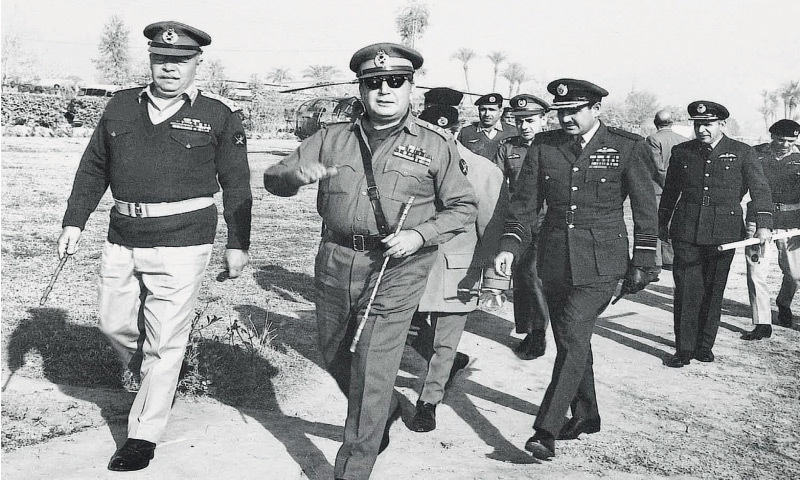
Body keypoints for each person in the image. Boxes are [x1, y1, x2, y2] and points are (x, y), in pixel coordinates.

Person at [263, 43, 477, 480]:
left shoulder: (435, 144)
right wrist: (294, 176)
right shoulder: (331, 137)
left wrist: (420, 234)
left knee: (372, 366)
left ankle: (353, 467)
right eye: (373, 82)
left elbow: (462, 207)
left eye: (394, 82)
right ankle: (388, 410)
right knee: (334, 350)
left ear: (411, 88)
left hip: (398, 267)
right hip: (335, 258)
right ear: (361, 88)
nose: (384, 90)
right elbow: (274, 179)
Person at [57, 21, 252, 472]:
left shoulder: (220, 116)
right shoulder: (121, 106)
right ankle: (159, 367)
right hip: (123, 234)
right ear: (150, 60)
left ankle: (142, 434)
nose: (169, 68)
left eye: (180, 61)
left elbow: (237, 185)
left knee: (164, 340)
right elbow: (93, 168)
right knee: (111, 323)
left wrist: (238, 243)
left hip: (184, 240)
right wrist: (74, 220)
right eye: (162, 59)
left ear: (197, 63)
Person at [494, 78, 659, 460]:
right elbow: (524, 207)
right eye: (561, 111)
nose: (566, 117)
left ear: (596, 110)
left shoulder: (626, 146)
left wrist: (643, 261)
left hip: (602, 262)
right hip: (553, 260)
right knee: (573, 337)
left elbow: (646, 211)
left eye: (575, 111)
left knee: (569, 331)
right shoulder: (544, 145)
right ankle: (586, 415)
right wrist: (509, 247)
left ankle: (545, 429)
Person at [407, 104, 509, 433]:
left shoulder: (483, 171)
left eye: (443, 131)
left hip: (457, 270)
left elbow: (493, 230)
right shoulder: (406, 162)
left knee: (443, 342)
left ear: (455, 129)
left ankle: (428, 402)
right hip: (409, 267)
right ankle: (454, 363)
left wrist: (495, 281)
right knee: (406, 332)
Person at [658, 101, 773, 367]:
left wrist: (763, 224)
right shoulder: (682, 151)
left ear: (722, 124)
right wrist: (661, 224)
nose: (702, 130)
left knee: (713, 289)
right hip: (686, 229)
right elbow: (670, 192)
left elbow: (760, 190)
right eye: (697, 124)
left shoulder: (742, 152)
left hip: (725, 231)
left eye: (708, 124)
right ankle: (683, 349)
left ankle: (704, 345)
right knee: (687, 290)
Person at [495, 94, 552, 359]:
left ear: (544, 120)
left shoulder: (554, 147)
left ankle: (539, 332)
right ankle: (528, 329)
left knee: (534, 274)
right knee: (521, 276)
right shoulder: (507, 148)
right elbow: (497, 183)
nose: (525, 126)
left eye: (530, 120)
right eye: (519, 122)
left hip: (549, 220)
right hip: (520, 221)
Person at [742, 119, 800, 340]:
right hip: (758, 219)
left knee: (795, 274)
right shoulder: (754, 154)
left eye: (791, 140)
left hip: (792, 220)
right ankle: (762, 322)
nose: (785, 144)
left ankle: (783, 303)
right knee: (756, 271)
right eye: (780, 139)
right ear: (772, 136)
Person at [645, 110, 689, 269]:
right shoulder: (684, 139)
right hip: (680, 190)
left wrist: (669, 186)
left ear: (656, 123)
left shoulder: (653, 139)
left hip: (659, 190)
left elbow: (657, 167)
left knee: (657, 223)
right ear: (672, 123)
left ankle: (656, 261)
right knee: (673, 223)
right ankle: (670, 259)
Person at [457, 93, 516, 161]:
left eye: (492, 110)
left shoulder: (513, 132)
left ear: (501, 111)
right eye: (483, 110)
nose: (487, 114)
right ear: (478, 110)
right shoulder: (466, 132)